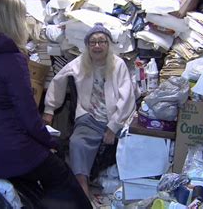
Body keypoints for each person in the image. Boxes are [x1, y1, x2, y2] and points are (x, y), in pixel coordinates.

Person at [0, 0, 92, 209]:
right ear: (11, 21)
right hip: (0, 148)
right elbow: (27, 115)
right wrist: (50, 142)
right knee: (60, 174)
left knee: (33, 175)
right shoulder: (11, 59)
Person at [42, 23, 136, 198]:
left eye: (102, 42)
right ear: (87, 46)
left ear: (108, 45)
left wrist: (113, 126)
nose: (97, 46)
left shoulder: (118, 65)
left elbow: (127, 98)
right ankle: (82, 185)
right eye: (92, 42)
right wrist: (49, 108)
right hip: (89, 117)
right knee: (77, 142)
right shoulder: (79, 63)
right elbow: (58, 80)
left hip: (115, 118)